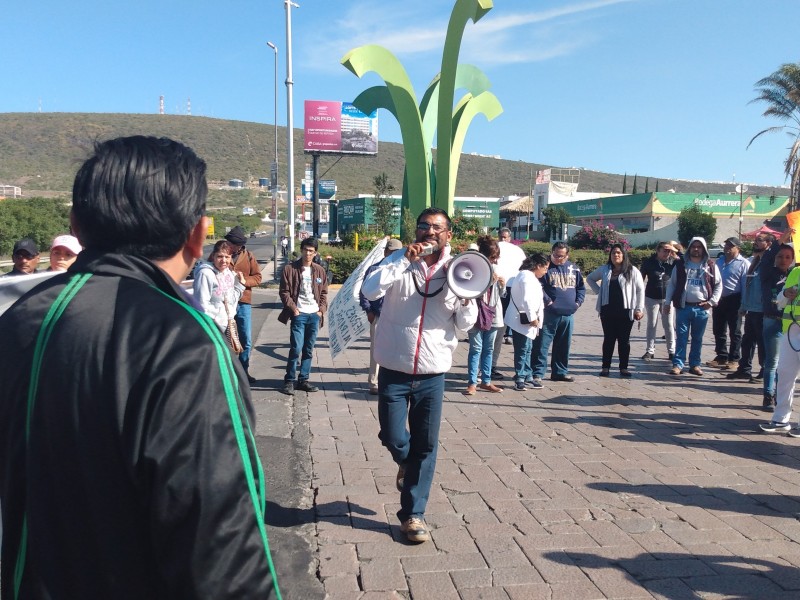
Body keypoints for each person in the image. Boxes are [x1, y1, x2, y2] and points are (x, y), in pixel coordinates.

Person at [0, 136, 280, 598]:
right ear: (197, 234)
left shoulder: (17, 321)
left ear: (77, 226)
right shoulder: (182, 339)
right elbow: (223, 551)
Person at [361, 208, 477, 543]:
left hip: (432, 372)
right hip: (394, 368)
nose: (428, 232)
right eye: (423, 226)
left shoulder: (461, 270)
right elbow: (370, 291)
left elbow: (466, 325)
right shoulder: (398, 258)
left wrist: (467, 300)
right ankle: (405, 462)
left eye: (436, 228)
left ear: (448, 234)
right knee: (394, 436)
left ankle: (413, 515)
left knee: (426, 446)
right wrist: (402, 261)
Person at [726, 232, 784, 382]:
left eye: (759, 240)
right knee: (747, 341)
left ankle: (764, 370)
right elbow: (748, 286)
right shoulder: (754, 260)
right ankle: (744, 369)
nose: (755, 243)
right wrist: (744, 305)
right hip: (751, 308)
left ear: (769, 244)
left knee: (762, 342)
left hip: (762, 309)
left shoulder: (770, 262)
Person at [664, 237, 722, 376]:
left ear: (704, 249)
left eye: (699, 247)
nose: (696, 249)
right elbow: (672, 284)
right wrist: (667, 303)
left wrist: (711, 302)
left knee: (697, 338)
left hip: (702, 308)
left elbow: (719, 285)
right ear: (689, 248)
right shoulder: (681, 265)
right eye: (694, 246)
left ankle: (695, 364)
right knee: (681, 337)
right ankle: (678, 364)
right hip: (684, 307)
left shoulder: (710, 265)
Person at [529, 241, 586, 383]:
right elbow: (538, 286)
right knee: (542, 344)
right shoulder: (546, 267)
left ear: (567, 255)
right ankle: (538, 372)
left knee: (563, 345)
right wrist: (548, 302)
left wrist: (578, 303)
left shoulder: (574, 268)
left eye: (561, 256)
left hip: (568, 314)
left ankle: (560, 371)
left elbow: (581, 288)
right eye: (555, 255)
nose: (557, 258)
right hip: (549, 313)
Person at [278, 236, 328, 396]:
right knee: (296, 348)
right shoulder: (290, 269)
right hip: (298, 314)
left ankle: (303, 380)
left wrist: (321, 310)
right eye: (305, 250)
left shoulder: (319, 270)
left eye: (311, 251)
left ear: (315, 253)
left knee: (308, 349)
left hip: (314, 314)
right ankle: (289, 381)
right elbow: (284, 292)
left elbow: (324, 292)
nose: (308, 253)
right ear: (301, 250)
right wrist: (294, 309)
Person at [586, 244, 645, 377]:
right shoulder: (605, 269)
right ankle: (605, 367)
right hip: (607, 310)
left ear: (623, 255)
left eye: (618, 253)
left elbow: (640, 290)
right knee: (609, 339)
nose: (616, 255)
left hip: (626, 310)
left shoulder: (632, 270)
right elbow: (590, 278)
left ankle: (623, 367)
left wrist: (639, 309)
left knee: (624, 340)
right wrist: (599, 292)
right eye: (613, 253)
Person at [759, 251, 800, 435]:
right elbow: (780, 302)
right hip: (789, 331)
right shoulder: (795, 272)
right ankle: (781, 418)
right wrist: (785, 293)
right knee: (784, 374)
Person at [360, 238, 403, 394]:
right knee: (376, 350)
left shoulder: (404, 270)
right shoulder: (375, 269)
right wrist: (369, 311)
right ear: (385, 252)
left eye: (397, 253)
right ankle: (374, 382)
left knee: (397, 349)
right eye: (391, 252)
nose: (394, 255)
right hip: (378, 315)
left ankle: (392, 380)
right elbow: (364, 292)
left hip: (398, 317)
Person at [464, 235, 505, 395]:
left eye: (496, 258)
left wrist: (501, 284)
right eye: (493, 257)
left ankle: (486, 381)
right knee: (476, 348)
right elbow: (469, 289)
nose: (494, 261)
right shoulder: (474, 267)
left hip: (493, 313)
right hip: (476, 312)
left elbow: (500, 295)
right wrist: (489, 281)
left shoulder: (495, 268)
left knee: (489, 348)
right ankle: (472, 382)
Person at [505, 253, 549, 390]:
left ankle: (528, 375)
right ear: (538, 266)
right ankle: (520, 377)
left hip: (527, 320)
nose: (546, 271)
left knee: (528, 348)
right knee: (522, 349)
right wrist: (533, 318)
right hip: (523, 320)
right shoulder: (526, 277)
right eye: (545, 268)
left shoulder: (530, 277)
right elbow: (527, 300)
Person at [225, 225, 263, 383]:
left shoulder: (248, 256)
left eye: (236, 245)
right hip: (224, 303)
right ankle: (227, 373)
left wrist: (244, 281)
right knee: (226, 339)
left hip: (243, 302)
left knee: (245, 339)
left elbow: (258, 277)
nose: (233, 247)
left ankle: (243, 371)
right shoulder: (220, 254)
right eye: (231, 244)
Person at [707, 237, 748, 369]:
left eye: (731, 246)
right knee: (718, 329)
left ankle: (734, 358)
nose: (727, 248)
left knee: (735, 331)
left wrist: (743, 304)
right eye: (726, 245)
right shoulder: (719, 261)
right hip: (719, 299)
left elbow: (745, 286)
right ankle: (721, 356)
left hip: (734, 299)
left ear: (738, 248)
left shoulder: (743, 263)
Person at [490, 227, 526, 379]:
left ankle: (491, 366)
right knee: (496, 330)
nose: (503, 240)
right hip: (500, 290)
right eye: (501, 237)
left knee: (498, 330)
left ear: (510, 237)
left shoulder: (512, 250)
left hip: (508, 290)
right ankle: (490, 367)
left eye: (505, 237)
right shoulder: (512, 250)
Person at [193, 239, 246, 332]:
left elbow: (231, 301)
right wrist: (217, 318)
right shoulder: (205, 274)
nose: (224, 260)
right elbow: (201, 305)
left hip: (228, 324)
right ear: (213, 256)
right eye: (220, 256)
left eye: (227, 257)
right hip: (212, 327)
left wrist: (240, 285)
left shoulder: (228, 273)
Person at [639, 241, 678, 362]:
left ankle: (672, 351)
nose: (668, 253)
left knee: (669, 325)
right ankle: (650, 350)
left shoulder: (674, 262)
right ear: (658, 250)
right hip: (651, 297)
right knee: (652, 324)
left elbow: (684, 259)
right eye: (665, 250)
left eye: (669, 251)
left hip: (668, 298)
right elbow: (640, 280)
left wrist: (675, 251)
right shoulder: (649, 262)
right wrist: (638, 298)